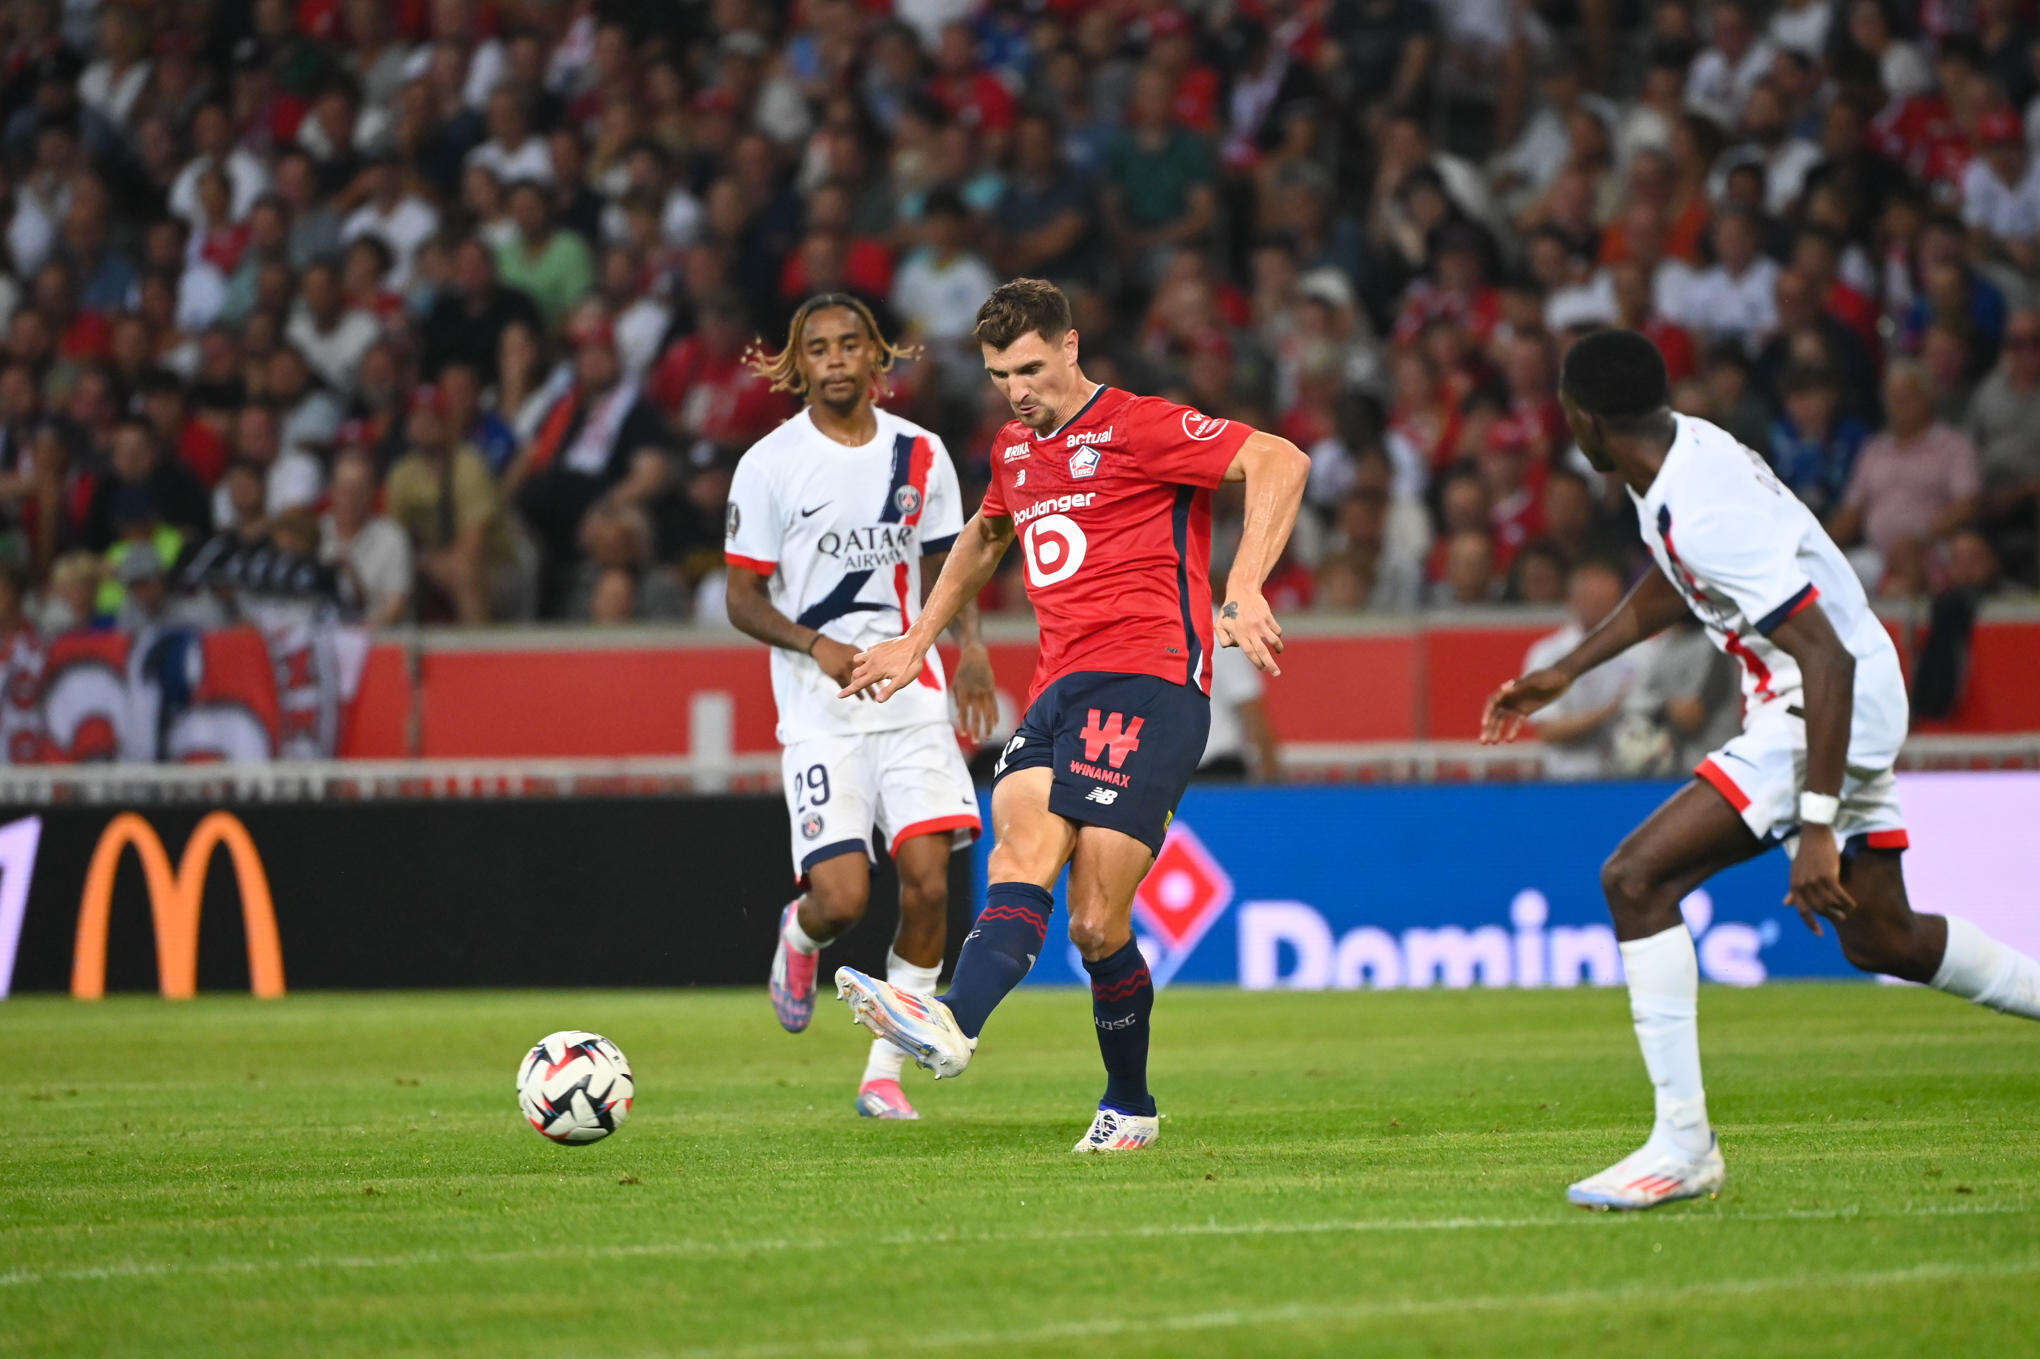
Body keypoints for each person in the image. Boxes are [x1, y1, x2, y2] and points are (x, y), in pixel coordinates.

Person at [1481, 329, 2040, 1211]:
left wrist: (1816, 827)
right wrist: (1570, 668)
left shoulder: (1701, 503)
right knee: (1880, 935)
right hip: (1846, 685)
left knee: (1636, 879)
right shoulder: (1679, 457)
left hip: (1819, 700)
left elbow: (1824, 659)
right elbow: (1680, 580)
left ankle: (1684, 1144)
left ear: (1584, 418)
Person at [832, 278, 1309, 1153]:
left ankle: (1128, 1101)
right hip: (1058, 689)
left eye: (1029, 368)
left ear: (1071, 348)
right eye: (998, 375)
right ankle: (952, 1021)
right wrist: (916, 640)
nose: (1016, 390)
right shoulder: (1016, 453)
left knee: (1095, 920)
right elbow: (985, 535)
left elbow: (1280, 459)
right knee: (1019, 849)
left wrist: (1241, 587)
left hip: (1152, 684)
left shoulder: (1139, 426)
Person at [725, 293, 998, 1121]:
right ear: (797, 364)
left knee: (927, 887)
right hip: (820, 709)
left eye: (851, 345)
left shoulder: (922, 454)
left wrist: (972, 649)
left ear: (878, 357)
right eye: (819, 348)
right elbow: (741, 595)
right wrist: (815, 643)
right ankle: (800, 936)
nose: (836, 359)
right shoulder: (770, 463)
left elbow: (956, 556)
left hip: (911, 699)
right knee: (842, 898)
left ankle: (885, 1073)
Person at [1519, 558, 1642, 779]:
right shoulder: (1548, 654)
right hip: (1566, 778)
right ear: (1573, 600)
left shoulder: (1640, 652)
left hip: (1629, 777)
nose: (1602, 607)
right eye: (1594, 600)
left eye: (1609, 600)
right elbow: (1548, 729)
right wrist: (1606, 714)